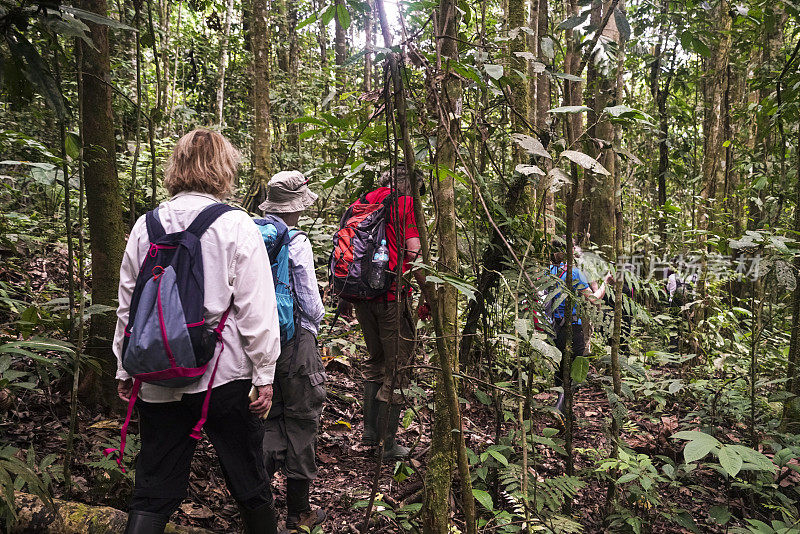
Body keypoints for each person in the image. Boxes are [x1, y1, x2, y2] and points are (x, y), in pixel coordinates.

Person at [113, 129, 280, 534]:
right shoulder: (236, 224)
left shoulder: (146, 224)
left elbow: (129, 304)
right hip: (223, 377)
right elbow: (256, 307)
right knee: (249, 481)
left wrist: (124, 366)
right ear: (224, 169)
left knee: (153, 489)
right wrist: (265, 374)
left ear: (178, 166)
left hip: (157, 373)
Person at [258, 171, 327, 534]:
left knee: (270, 417)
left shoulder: (250, 234)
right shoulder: (296, 241)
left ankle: (258, 510)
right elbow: (311, 303)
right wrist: (317, 322)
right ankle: (298, 512)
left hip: (258, 342)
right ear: (297, 207)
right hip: (296, 341)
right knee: (301, 421)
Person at [351, 164, 426, 459]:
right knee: (398, 368)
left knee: (376, 360)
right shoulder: (405, 203)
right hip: (391, 294)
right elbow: (413, 252)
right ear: (412, 188)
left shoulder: (362, 201)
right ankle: (388, 445)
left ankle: (370, 434)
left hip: (360, 295)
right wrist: (428, 294)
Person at [547, 238, 611, 413]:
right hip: (572, 326)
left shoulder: (549, 270)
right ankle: (560, 409)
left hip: (554, 326)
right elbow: (594, 299)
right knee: (575, 370)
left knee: (560, 368)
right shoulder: (574, 273)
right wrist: (605, 282)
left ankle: (562, 408)